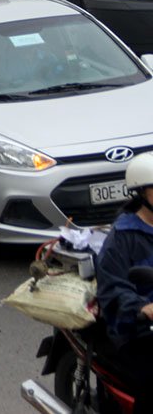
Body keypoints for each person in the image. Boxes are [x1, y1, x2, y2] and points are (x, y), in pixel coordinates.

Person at [96, 153, 153, 414]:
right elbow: (113, 289)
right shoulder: (123, 237)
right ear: (142, 192)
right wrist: (142, 308)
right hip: (136, 330)